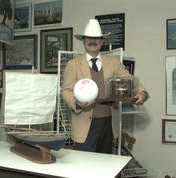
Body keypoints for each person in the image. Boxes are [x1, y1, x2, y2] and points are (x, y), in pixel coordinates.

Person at [62, 19, 149, 154]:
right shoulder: (73, 64)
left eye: (96, 38)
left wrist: (142, 92)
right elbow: (66, 91)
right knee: (85, 166)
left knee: (105, 163)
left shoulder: (114, 63)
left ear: (102, 41)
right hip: (84, 125)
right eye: (89, 38)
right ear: (83, 41)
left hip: (108, 124)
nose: (93, 41)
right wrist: (77, 104)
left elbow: (129, 79)